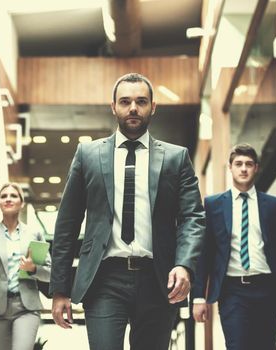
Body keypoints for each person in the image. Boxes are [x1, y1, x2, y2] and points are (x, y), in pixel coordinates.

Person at [49, 72, 205, 349]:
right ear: (113, 107)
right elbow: (67, 223)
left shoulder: (175, 157)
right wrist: (60, 290)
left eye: (141, 101)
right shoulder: (87, 155)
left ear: (152, 107)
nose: (133, 108)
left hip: (158, 279)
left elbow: (193, 217)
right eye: (125, 101)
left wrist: (184, 264)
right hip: (104, 279)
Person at [191, 143, 276, 350]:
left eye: (249, 164)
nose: (243, 169)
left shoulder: (273, 205)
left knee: (264, 346)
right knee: (237, 346)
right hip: (232, 291)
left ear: (256, 168)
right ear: (229, 167)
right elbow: (205, 254)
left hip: (267, 289)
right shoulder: (214, 204)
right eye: (238, 164)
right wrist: (198, 298)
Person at [0, 183, 51, 350]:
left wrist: (33, 269)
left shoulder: (34, 234)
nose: (8, 199)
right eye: (3, 196)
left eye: (13, 196)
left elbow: (50, 273)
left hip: (26, 308)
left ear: (21, 203)